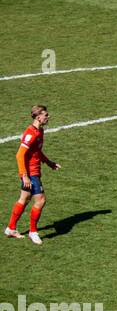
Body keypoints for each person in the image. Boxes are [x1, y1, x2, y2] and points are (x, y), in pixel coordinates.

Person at [7, 104, 59, 245]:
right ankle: (33, 232)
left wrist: (48, 162)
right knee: (40, 200)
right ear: (38, 117)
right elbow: (19, 155)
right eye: (46, 115)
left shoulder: (39, 131)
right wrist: (24, 175)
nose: (48, 117)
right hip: (31, 173)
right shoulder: (31, 133)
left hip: (33, 171)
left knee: (24, 198)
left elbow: (37, 152)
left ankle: (11, 228)